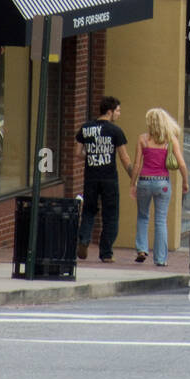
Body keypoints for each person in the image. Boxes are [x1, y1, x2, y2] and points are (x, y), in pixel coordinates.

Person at [75, 97, 132, 262]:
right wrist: (134, 177)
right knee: (111, 215)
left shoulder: (85, 128)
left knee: (89, 211)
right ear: (110, 111)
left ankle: (84, 239)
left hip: (91, 177)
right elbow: (124, 158)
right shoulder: (115, 131)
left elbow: (78, 153)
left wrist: (92, 155)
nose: (119, 114)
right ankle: (106, 253)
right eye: (118, 111)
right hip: (109, 179)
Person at [133, 108, 190, 266]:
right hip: (162, 182)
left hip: (144, 181)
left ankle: (142, 249)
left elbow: (137, 164)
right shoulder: (170, 140)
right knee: (160, 220)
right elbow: (181, 164)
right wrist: (185, 182)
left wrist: (133, 183)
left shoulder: (143, 139)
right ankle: (160, 258)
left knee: (143, 216)